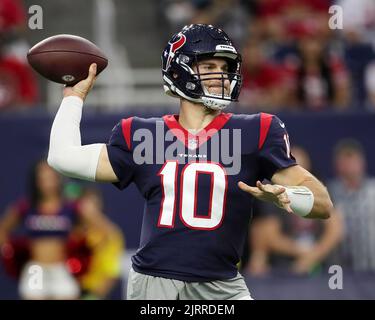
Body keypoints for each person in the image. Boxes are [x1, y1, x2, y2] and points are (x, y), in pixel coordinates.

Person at [47, 24, 333, 300]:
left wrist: (288, 196)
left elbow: (323, 205)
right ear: (179, 69)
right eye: (209, 67)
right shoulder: (142, 134)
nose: (220, 75)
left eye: (224, 68)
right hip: (155, 282)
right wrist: (75, 97)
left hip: (222, 284)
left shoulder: (257, 130)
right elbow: (63, 158)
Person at [0, 159, 118, 299]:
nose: (47, 182)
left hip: (62, 269)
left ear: (59, 179)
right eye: (43, 177)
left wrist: (87, 250)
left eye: (51, 177)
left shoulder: (71, 207)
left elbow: (107, 230)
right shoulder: (26, 207)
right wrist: (11, 253)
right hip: (35, 269)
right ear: (36, 180)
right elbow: (3, 229)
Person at [246, 146, 342, 276]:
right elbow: (269, 236)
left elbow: (335, 229)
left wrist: (314, 255)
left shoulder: (320, 193)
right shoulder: (274, 193)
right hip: (284, 269)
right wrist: (300, 251)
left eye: (302, 170)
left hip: (323, 268)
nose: (297, 176)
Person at [328, 139, 375, 271]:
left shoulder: (373, 190)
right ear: (336, 165)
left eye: (352, 160)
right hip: (342, 271)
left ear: (362, 163)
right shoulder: (330, 193)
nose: (348, 166)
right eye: (344, 161)